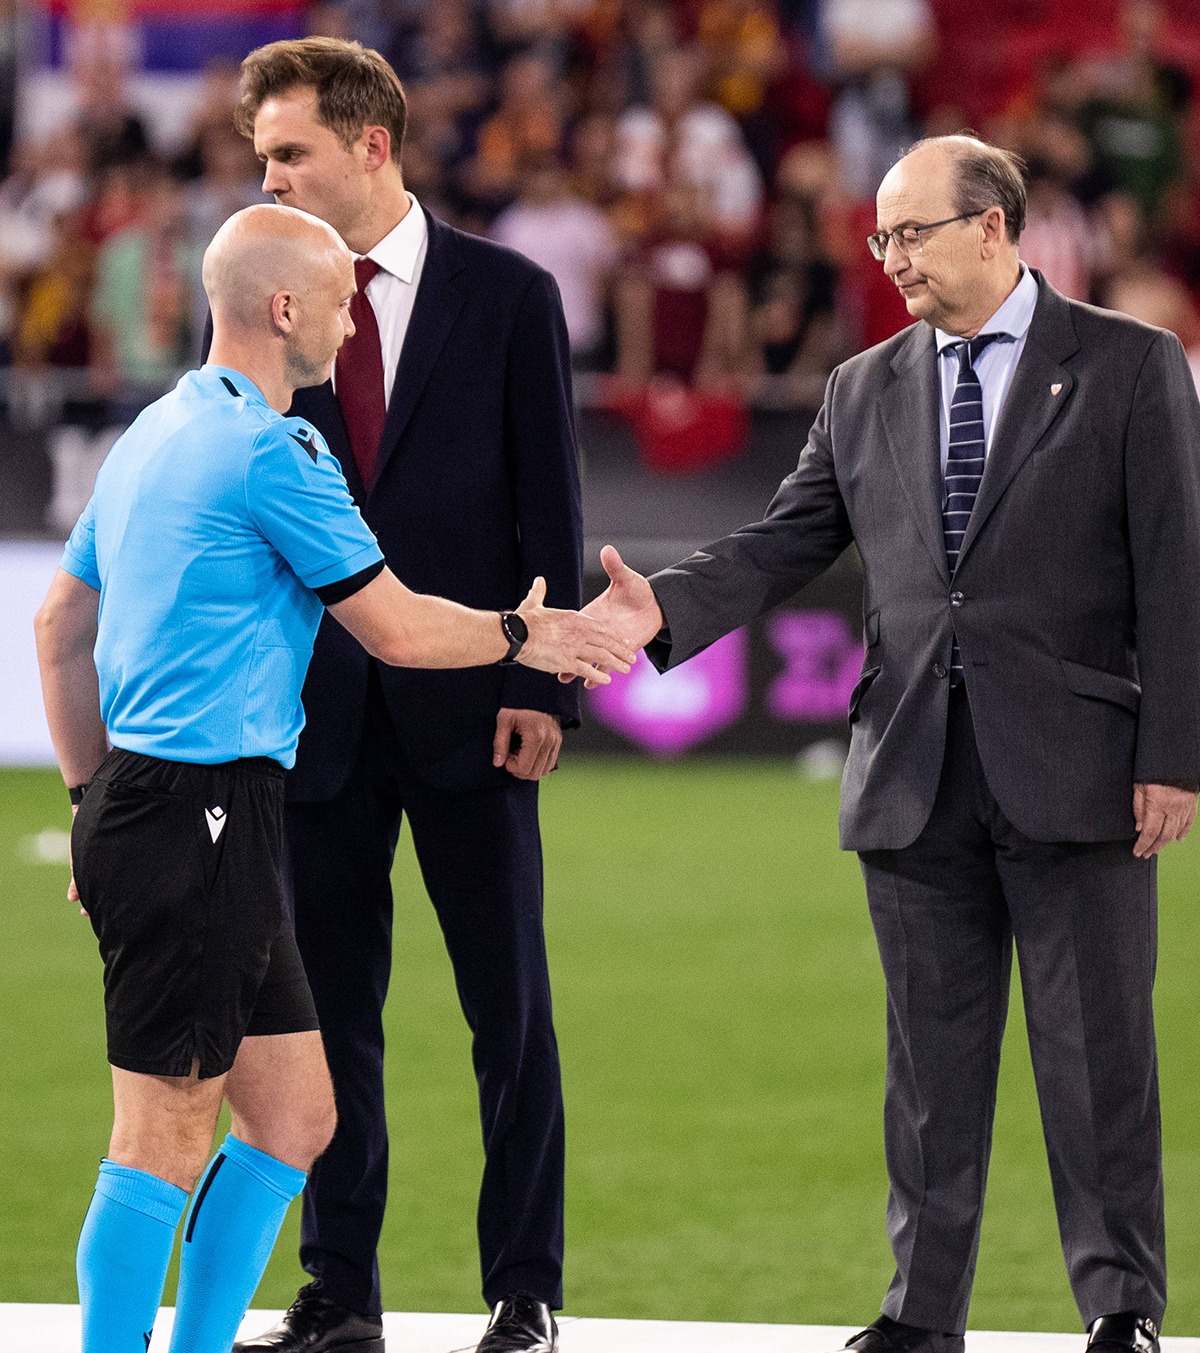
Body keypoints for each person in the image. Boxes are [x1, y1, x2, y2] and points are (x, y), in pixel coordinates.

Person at [579, 135, 1200, 1353]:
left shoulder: (1131, 364)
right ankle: (922, 1314)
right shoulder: (862, 384)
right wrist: (666, 605)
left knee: (1099, 1062)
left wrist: (1173, 754)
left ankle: (1122, 1307)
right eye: (881, 238)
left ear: (993, 226)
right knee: (929, 1071)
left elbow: (1176, 572)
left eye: (913, 233)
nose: (891, 258)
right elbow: (787, 538)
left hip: (1079, 768)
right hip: (913, 768)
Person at [34, 202, 631, 1353]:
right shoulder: (276, 451)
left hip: (181, 809)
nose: (355, 321)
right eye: (340, 301)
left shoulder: (155, 430)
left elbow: (59, 625)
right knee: (160, 1133)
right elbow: (396, 629)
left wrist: (87, 801)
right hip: (201, 814)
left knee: (298, 1116)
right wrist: (527, 633)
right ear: (283, 307)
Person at [229, 37, 583, 1353]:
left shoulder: (510, 294)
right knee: (326, 1021)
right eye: (263, 156)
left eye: (289, 153)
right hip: (309, 721)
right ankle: (341, 1293)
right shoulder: (269, 301)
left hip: (477, 708)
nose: (269, 177)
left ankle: (525, 1291)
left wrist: (542, 683)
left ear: (371, 144)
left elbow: (550, 499)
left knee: (510, 1014)